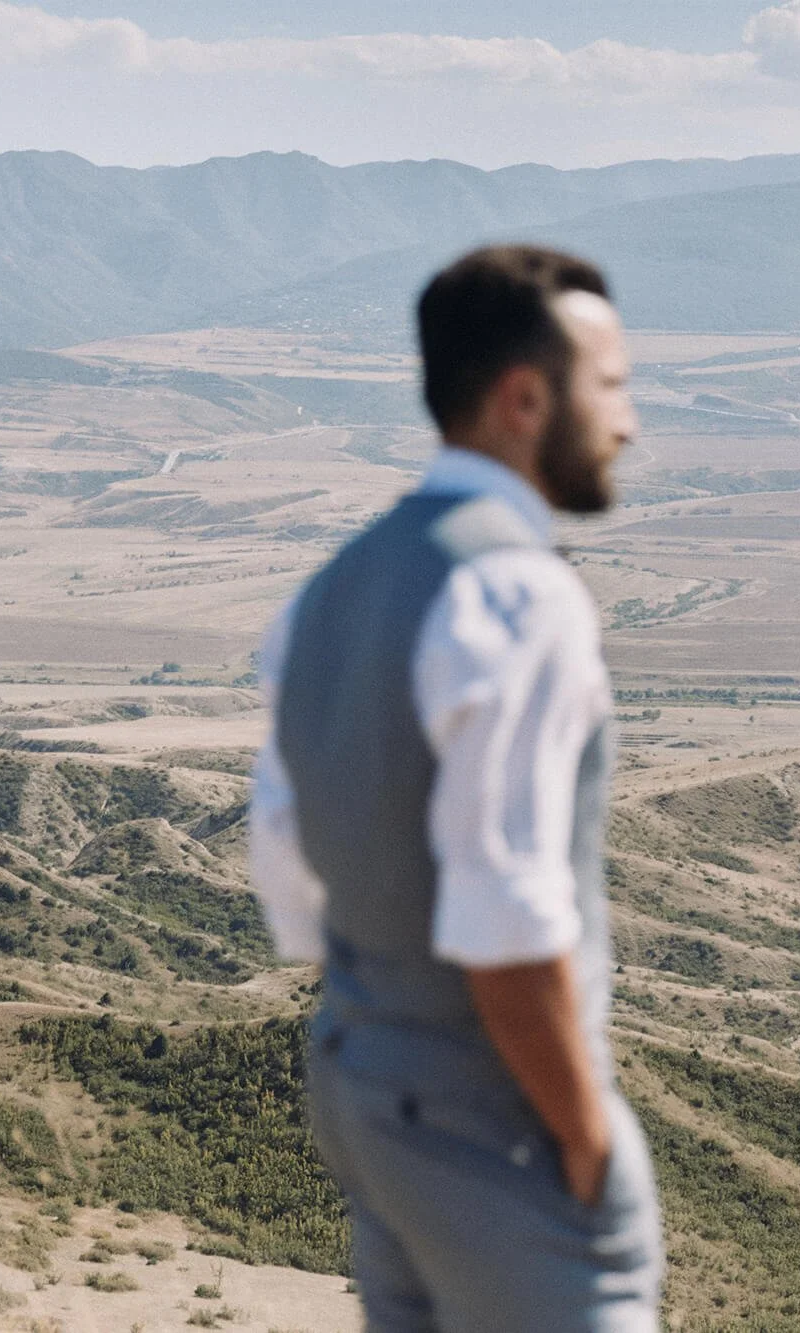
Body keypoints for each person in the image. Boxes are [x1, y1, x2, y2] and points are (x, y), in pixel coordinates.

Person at [248, 244, 660, 1331]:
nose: (626, 422)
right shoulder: (517, 597)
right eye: (610, 387)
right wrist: (581, 1132)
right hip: (494, 1111)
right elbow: (507, 918)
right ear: (526, 398)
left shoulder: (333, 585)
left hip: (361, 1074)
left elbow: (289, 868)